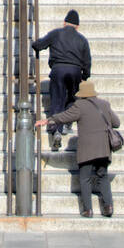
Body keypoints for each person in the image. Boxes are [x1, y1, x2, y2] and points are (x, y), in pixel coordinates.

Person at [37, 80, 121, 217]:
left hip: (87, 149)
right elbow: (116, 123)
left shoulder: (79, 106)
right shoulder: (105, 104)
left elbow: (64, 117)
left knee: (85, 178)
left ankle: (88, 210)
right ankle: (108, 207)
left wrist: (48, 120)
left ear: (81, 94)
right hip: (103, 148)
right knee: (103, 176)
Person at [32, 9, 91, 152]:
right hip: (75, 71)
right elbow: (87, 61)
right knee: (72, 97)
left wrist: (35, 45)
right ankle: (67, 124)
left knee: (57, 100)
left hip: (58, 69)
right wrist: (84, 76)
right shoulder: (82, 39)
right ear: (77, 26)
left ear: (64, 23)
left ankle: (56, 130)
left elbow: (39, 45)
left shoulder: (56, 33)